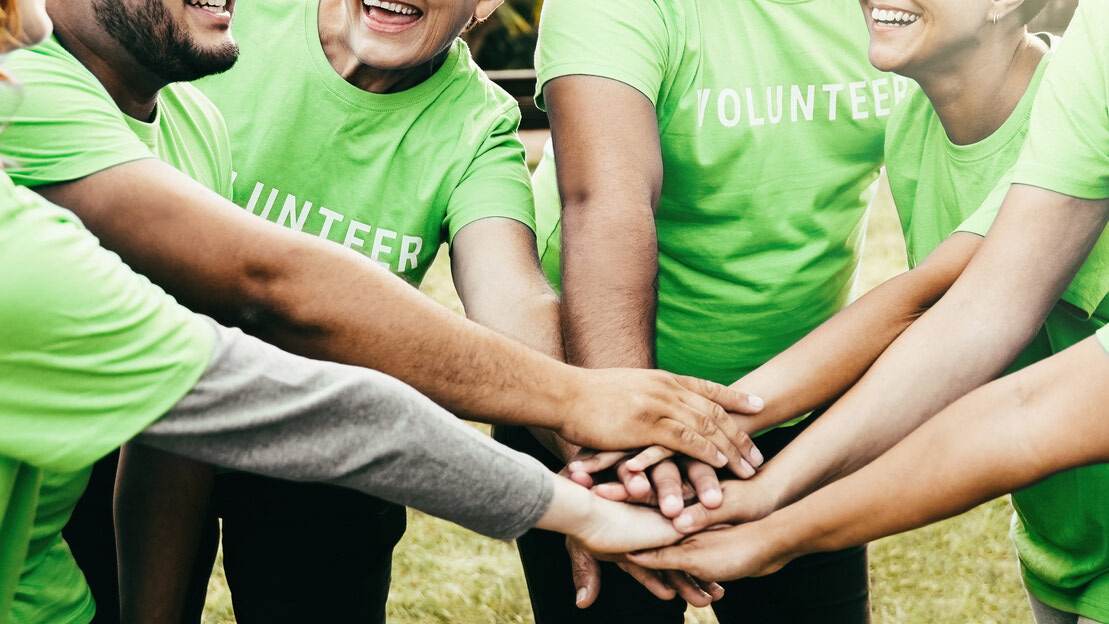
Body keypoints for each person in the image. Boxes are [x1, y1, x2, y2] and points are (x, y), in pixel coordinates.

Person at [0, 1, 764, 622]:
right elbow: (260, 290)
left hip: (316, 444)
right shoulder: (159, 52)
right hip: (138, 421)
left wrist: (602, 457)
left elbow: (509, 295)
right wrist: (579, 405)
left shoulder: (468, 127)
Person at [606, 1, 1109, 622]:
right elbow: (938, 327)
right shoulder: (914, 123)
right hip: (1060, 543)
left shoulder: (1066, 111)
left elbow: (920, 306)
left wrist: (734, 462)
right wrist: (693, 432)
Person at [493, 0, 905, 621]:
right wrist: (624, 456)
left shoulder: (893, 10)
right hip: (592, 401)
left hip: (796, 407)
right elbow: (608, 202)